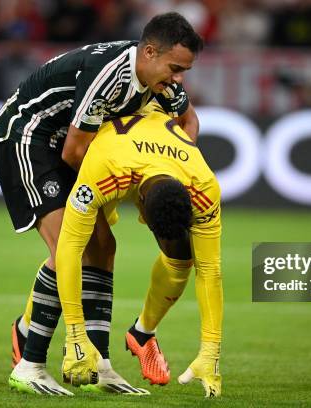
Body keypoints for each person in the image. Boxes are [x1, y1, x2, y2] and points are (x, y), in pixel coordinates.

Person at [0, 12, 203, 395]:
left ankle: (99, 365)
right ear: (149, 52)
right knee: (66, 248)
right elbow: (73, 152)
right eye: (174, 68)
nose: (178, 79)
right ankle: (30, 363)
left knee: (103, 247)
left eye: (184, 71)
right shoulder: (109, 75)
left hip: (73, 148)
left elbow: (190, 122)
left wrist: (172, 162)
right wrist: (112, 189)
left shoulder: (161, 81)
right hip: (30, 139)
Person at [56, 104, 223, 397]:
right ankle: (27, 336)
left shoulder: (204, 187)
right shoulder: (103, 171)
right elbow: (68, 249)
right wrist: (75, 335)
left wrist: (211, 351)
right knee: (93, 248)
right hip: (92, 148)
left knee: (182, 257)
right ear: (140, 203)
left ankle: (142, 333)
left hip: (154, 157)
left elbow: (210, 270)